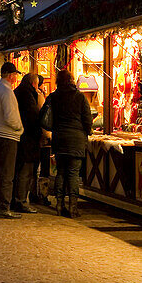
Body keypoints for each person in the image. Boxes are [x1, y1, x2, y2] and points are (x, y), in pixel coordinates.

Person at [42, 66, 92, 218]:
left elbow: (43, 115)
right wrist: (87, 131)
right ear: (71, 80)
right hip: (76, 139)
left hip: (59, 138)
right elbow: (87, 119)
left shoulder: (53, 97)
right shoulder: (80, 97)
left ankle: (59, 205)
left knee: (61, 172)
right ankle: (73, 207)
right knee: (73, 174)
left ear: (57, 81)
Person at [0, 62, 24, 219]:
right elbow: (11, 116)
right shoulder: (7, 92)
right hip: (7, 135)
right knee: (7, 173)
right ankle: (3, 206)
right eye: (15, 75)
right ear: (11, 75)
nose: (16, 77)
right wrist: (19, 128)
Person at [12, 72, 46, 213]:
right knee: (25, 171)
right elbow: (33, 116)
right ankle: (20, 201)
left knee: (20, 171)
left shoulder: (18, 91)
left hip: (21, 137)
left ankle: (17, 199)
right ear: (34, 83)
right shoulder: (28, 95)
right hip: (28, 139)